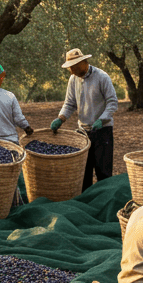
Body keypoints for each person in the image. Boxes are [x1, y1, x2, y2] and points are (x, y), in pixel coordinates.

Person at [49, 48, 119, 190]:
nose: (72, 71)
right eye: (70, 68)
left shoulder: (102, 77)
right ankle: (86, 200)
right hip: (83, 132)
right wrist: (61, 118)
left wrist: (102, 119)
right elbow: (70, 103)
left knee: (103, 172)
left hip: (102, 131)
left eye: (75, 67)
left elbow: (112, 102)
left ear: (84, 62)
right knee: (84, 173)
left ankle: (104, 199)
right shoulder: (73, 79)